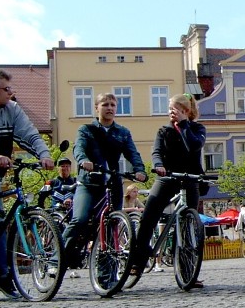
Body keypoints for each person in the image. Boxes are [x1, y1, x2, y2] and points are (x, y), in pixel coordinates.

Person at [62, 93, 147, 274]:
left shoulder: (122, 132)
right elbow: (79, 148)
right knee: (80, 219)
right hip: (89, 183)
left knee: (111, 226)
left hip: (112, 184)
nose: (109, 108)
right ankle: (57, 258)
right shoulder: (86, 130)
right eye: (105, 104)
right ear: (97, 108)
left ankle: (107, 275)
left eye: (113, 105)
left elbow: (132, 153)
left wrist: (140, 170)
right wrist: (83, 160)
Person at [0, 69, 54, 298]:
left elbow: (30, 133)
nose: (10, 93)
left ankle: (2, 276)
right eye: (5, 89)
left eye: (11, 88)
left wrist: (44, 154)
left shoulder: (12, 109)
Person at [130, 94, 206, 285]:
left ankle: (188, 272)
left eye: (175, 109)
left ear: (186, 111)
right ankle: (137, 262)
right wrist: (158, 165)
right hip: (167, 177)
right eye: (170, 109)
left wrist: (184, 125)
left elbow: (194, 146)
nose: (170, 113)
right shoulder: (164, 131)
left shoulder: (196, 129)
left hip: (190, 179)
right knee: (148, 217)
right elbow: (156, 152)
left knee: (190, 225)